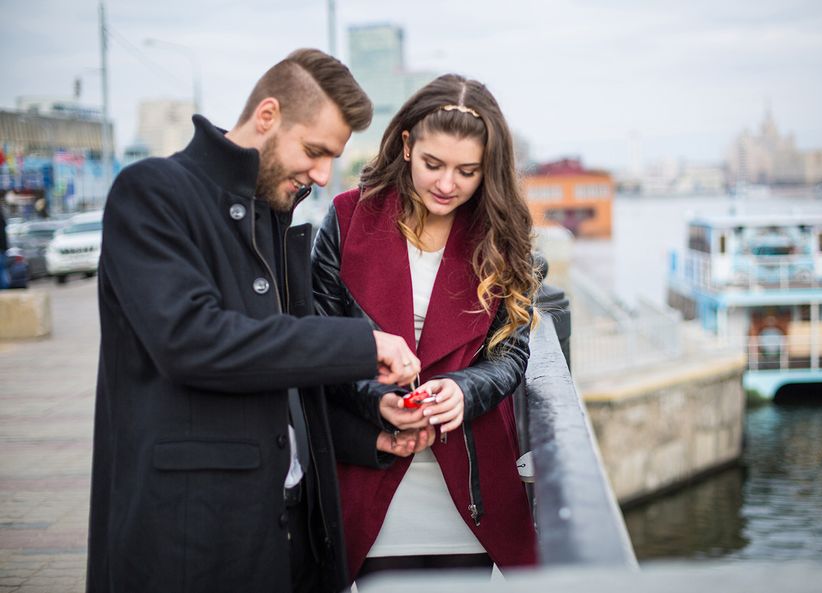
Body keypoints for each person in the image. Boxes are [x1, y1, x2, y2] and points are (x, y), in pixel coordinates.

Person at [86, 49, 421, 593]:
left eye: (332, 157)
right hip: (194, 545)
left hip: (298, 540)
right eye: (314, 151)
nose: (323, 173)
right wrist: (362, 342)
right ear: (267, 117)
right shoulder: (151, 193)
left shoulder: (276, 217)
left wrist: (368, 438)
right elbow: (193, 342)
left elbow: (282, 383)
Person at [312, 73, 539, 583]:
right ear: (407, 145)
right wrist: (376, 400)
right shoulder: (348, 219)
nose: (445, 185)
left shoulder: (502, 236)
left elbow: (511, 356)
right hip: (370, 464)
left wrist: (463, 389)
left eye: (467, 171)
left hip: (470, 481)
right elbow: (319, 342)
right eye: (433, 164)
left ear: (489, 169)